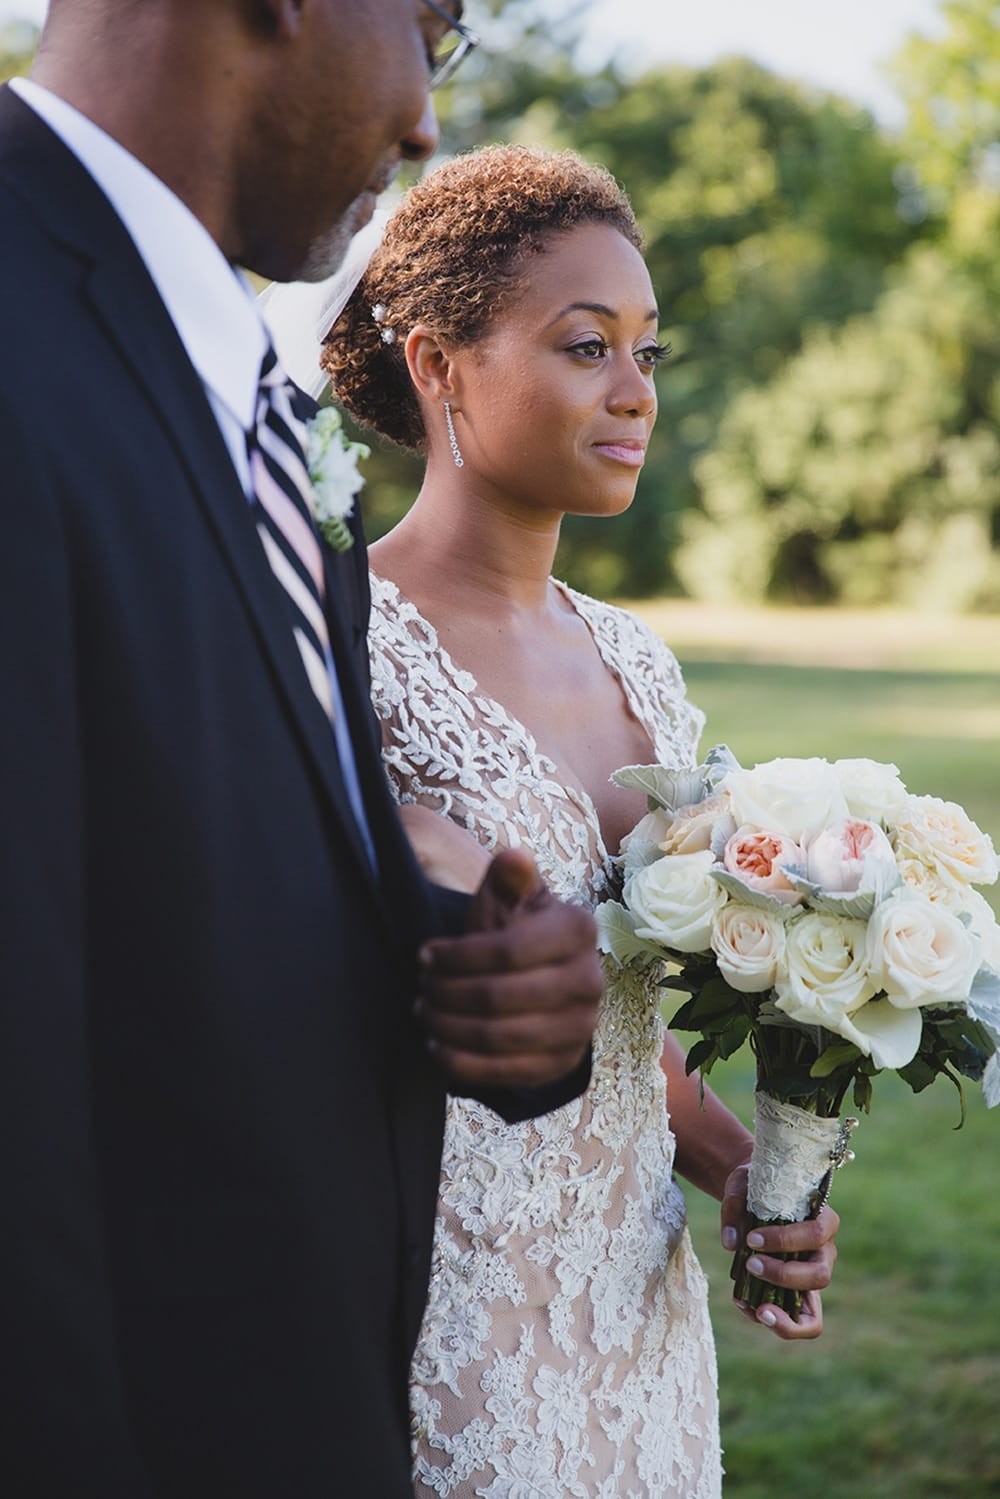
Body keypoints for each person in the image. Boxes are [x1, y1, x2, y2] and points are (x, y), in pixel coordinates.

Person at [0, 9, 606, 1498]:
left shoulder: (250, 395)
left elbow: (194, 863)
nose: (424, 125)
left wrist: (472, 976)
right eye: (431, 30)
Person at [320, 144, 841, 1496]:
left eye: (648, 354)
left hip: (640, 1312)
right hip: (449, 1321)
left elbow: (633, 1031)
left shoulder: (640, 664)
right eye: (585, 346)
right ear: (436, 366)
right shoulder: (335, 645)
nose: (634, 394)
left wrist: (741, 1170)